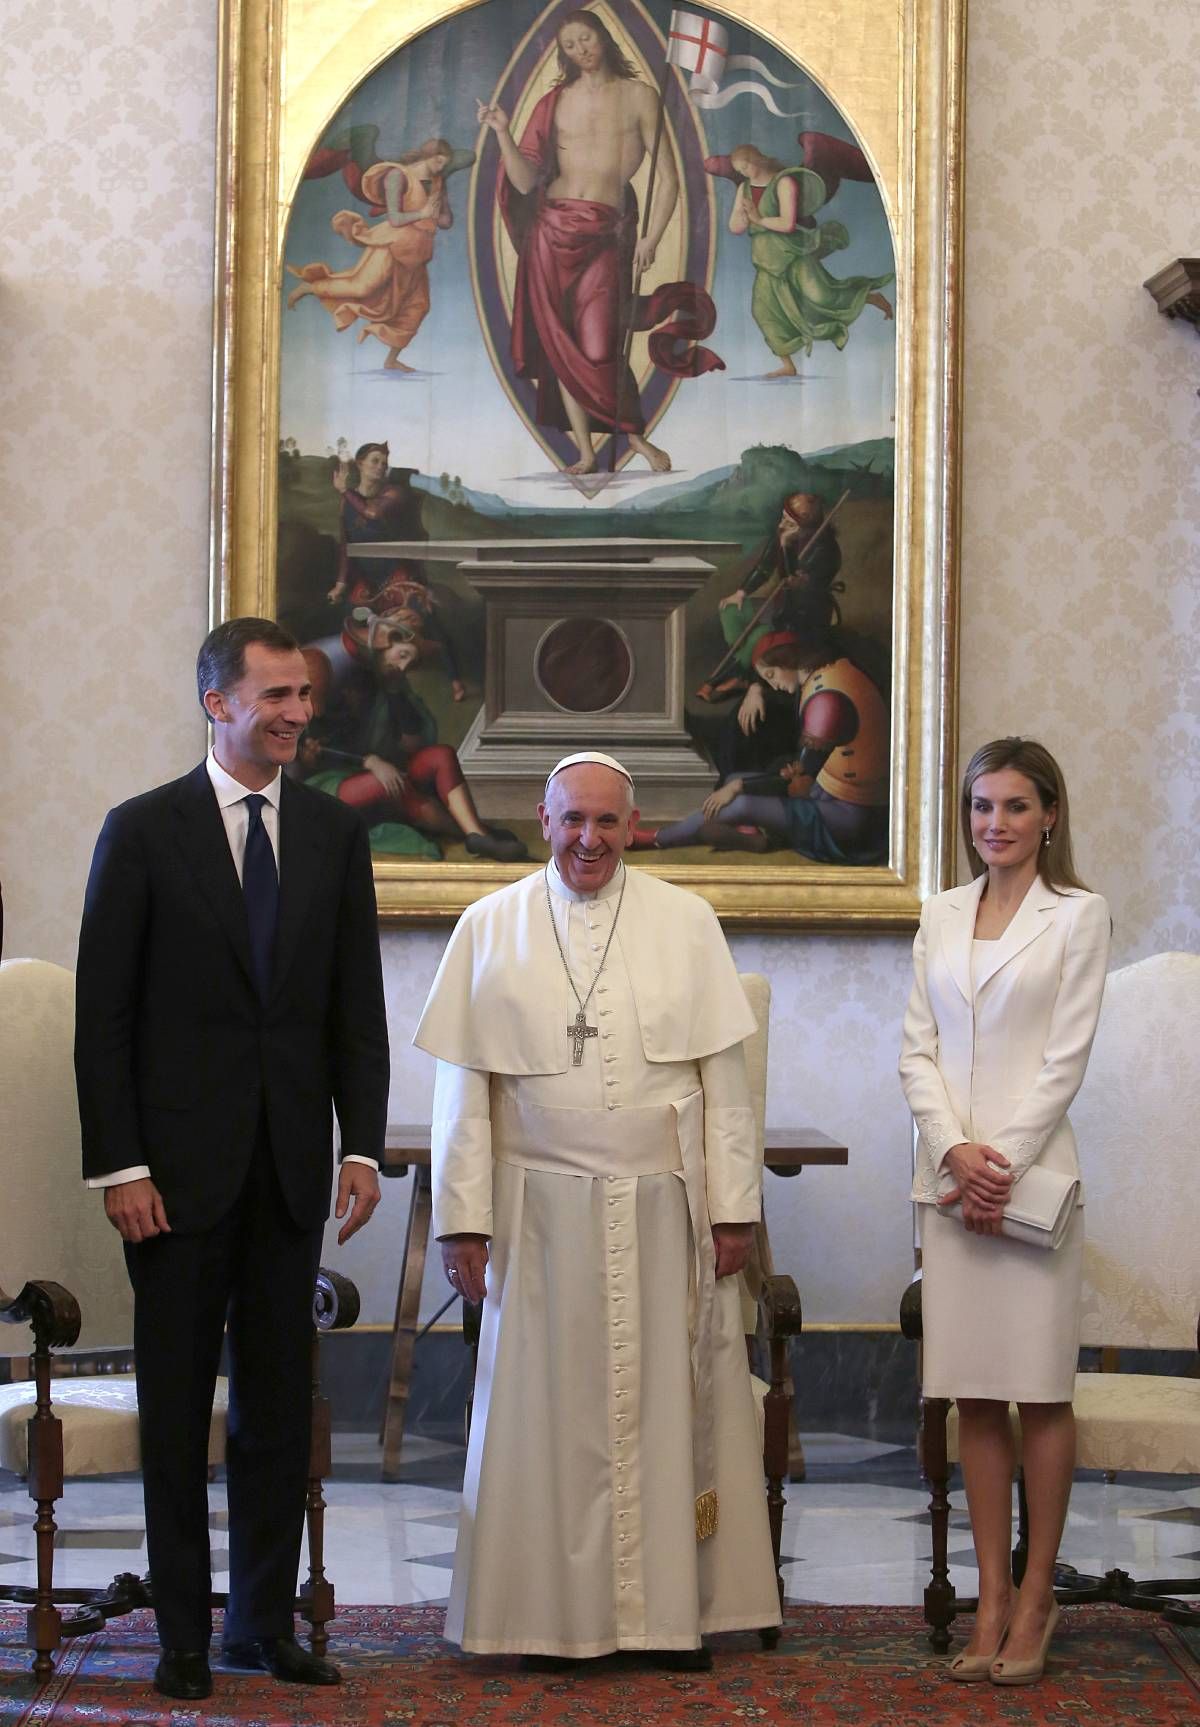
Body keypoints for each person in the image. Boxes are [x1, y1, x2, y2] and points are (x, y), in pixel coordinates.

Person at [75, 618, 390, 1702]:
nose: (300, 713)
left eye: (304, 694)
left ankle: (260, 1625)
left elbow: (358, 1005)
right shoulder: (144, 829)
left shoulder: (332, 833)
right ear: (218, 704)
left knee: (274, 1407)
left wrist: (364, 1146)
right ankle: (179, 1635)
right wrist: (120, 1166)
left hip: (291, 1168)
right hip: (170, 1180)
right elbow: (101, 1017)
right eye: (277, 696)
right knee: (175, 1412)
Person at [413, 752, 780, 1661]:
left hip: (665, 1209)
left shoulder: (687, 921)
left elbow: (723, 1082)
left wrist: (734, 1206)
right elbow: (463, 1093)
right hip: (536, 1213)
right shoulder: (489, 926)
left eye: (607, 822)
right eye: (573, 819)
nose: (590, 838)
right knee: (544, 1417)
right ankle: (538, 1616)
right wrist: (464, 1218)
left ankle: (670, 1615)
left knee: (667, 1409)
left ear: (635, 822)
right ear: (545, 819)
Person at [899, 737, 1110, 1685]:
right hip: (950, 1184)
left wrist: (1003, 1164)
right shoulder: (939, 915)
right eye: (982, 806)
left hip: (1032, 1186)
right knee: (973, 1390)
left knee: (1039, 1389)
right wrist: (955, 1151)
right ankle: (987, 1597)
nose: (997, 824)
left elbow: (1066, 1058)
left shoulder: (1080, 914)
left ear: (1050, 815)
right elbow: (916, 1048)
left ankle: (1036, 1598)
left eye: (1016, 807)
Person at [479, 11, 721, 475]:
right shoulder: (553, 102)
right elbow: (526, 181)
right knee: (560, 347)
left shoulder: (640, 97)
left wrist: (652, 237)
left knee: (597, 347)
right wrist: (503, 132)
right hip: (550, 234)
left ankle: (636, 440)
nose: (580, 50)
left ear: (604, 38)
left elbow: (669, 179)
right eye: (569, 45)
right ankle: (588, 452)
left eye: (585, 38)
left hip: (604, 237)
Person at [300, 610, 527, 862]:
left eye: (410, 663)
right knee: (392, 784)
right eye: (403, 655)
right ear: (384, 641)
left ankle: (475, 833)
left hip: (375, 769)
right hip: (325, 782)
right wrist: (369, 761)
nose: (403, 667)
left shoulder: (389, 679)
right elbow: (303, 744)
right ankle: (473, 835)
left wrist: (395, 694)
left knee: (440, 755)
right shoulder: (326, 666)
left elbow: (412, 744)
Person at [648, 629, 889, 863]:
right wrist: (738, 783)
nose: (773, 686)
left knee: (740, 799)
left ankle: (658, 838)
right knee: (735, 777)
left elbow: (800, 781)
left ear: (788, 660)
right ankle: (757, 835)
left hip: (852, 819)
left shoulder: (826, 702)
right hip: (829, 792)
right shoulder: (828, 673)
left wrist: (738, 788)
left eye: (772, 676)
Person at [287, 139, 457, 371]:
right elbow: (395, 219)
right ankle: (310, 287)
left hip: (417, 252)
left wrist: (439, 214)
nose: (440, 166)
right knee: (362, 287)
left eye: (444, 163)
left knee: (418, 306)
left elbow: (446, 221)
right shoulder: (398, 177)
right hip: (392, 243)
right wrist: (423, 212)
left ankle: (391, 360)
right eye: (438, 160)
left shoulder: (438, 182)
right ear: (427, 155)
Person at [726, 144, 893, 377]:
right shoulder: (744, 188)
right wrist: (742, 217)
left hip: (793, 253)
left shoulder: (783, 183)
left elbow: (787, 224)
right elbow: (735, 226)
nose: (744, 173)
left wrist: (758, 218)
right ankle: (788, 365)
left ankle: (868, 296)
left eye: (745, 166)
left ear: (757, 159)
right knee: (763, 311)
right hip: (765, 258)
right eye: (740, 170)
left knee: (821, 295)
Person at [325, 444, 465, 699]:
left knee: (428, 618)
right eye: (375, 461)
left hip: (397, 573)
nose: (381, 466)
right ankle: (365, 684)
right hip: (367, 578)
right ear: (360, 463)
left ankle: (454, 679)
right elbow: (346, 545)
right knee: (351, 618)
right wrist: (340, 583)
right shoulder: (346, 502)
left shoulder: (394, 494)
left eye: (384, 463)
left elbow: (373, 513)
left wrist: (345, 490)